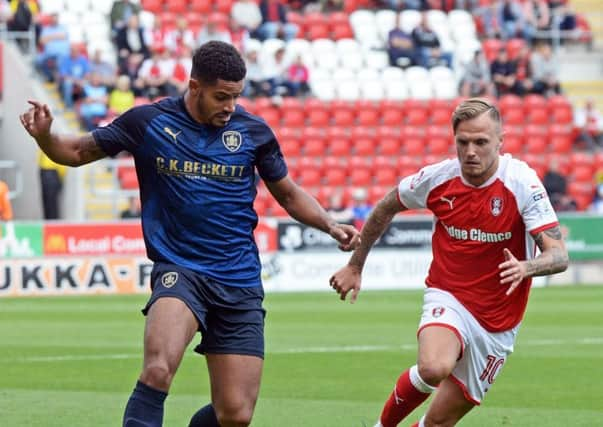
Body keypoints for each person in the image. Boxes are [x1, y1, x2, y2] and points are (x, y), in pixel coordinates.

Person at [20, 40, 360, 427]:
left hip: (239, 278)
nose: (230, 106)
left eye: (236, 96)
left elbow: (288, 192)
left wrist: (330, 224)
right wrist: (45, 137)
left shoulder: (254, 132)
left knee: (235, 414)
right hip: (180, 269)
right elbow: (77, 152)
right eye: (221, 96)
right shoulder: (147, 122)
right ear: (194, 85)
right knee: (158, 369)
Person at [329, 98, 569, 427]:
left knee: (438, 423)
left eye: (481, 142)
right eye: (463, 142)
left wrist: (527, 267)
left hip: (499, 321)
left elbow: (559, 255)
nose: (471, 151)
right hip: (449, 294)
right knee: (433, 367)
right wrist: (356, 265)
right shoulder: (438, 179)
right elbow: (387, 206)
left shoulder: (522, 184)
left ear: (501, 141)